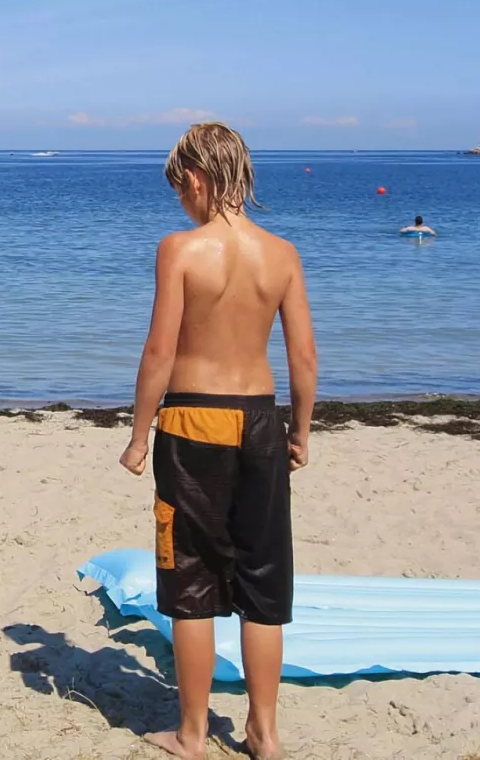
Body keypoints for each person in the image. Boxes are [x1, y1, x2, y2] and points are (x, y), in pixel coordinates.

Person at [118, 122, 317, 760]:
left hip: (193, 422)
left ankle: (193, 733)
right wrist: (302, 430)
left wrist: (138, 433)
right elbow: (305, 358)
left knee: (193, 583)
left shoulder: (180, 249)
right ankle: (263, 733)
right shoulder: (282, 254)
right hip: (261, 421)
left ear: (199, 181)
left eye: (182, 190)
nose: (182, 202)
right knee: (263, 582)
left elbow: (159, 351)